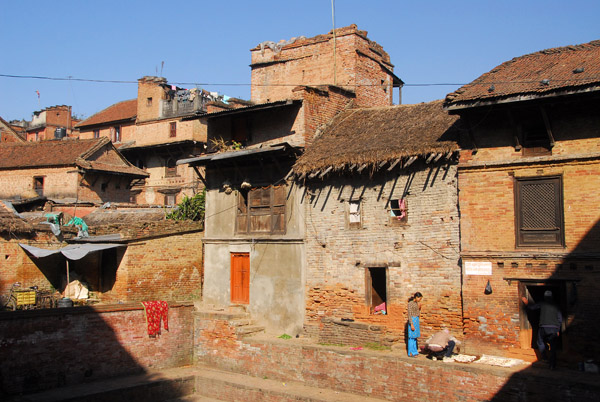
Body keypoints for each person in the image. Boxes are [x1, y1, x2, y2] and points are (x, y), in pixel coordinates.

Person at [522, 290, 562, 370]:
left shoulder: (542, 304)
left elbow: (532, 307)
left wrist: (526, 303)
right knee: (553, 347)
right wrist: (558, 329)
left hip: (543, 327)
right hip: (554, 328)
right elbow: (560, 318)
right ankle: (552, 365)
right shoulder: (556, 306)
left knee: (540, 342)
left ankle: (544, 357)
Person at [407, 292, 423, 357]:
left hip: (416, 320)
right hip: (413, 321)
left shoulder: (416, 303)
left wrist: (419, 308)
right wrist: (411, 324)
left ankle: (414, 351)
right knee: (411, 337)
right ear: (416, 297)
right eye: (419, 298)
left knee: (414, 338)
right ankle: (411, 352)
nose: (419, 300)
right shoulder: (410, 304)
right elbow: (409, 314)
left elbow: (416, 312)